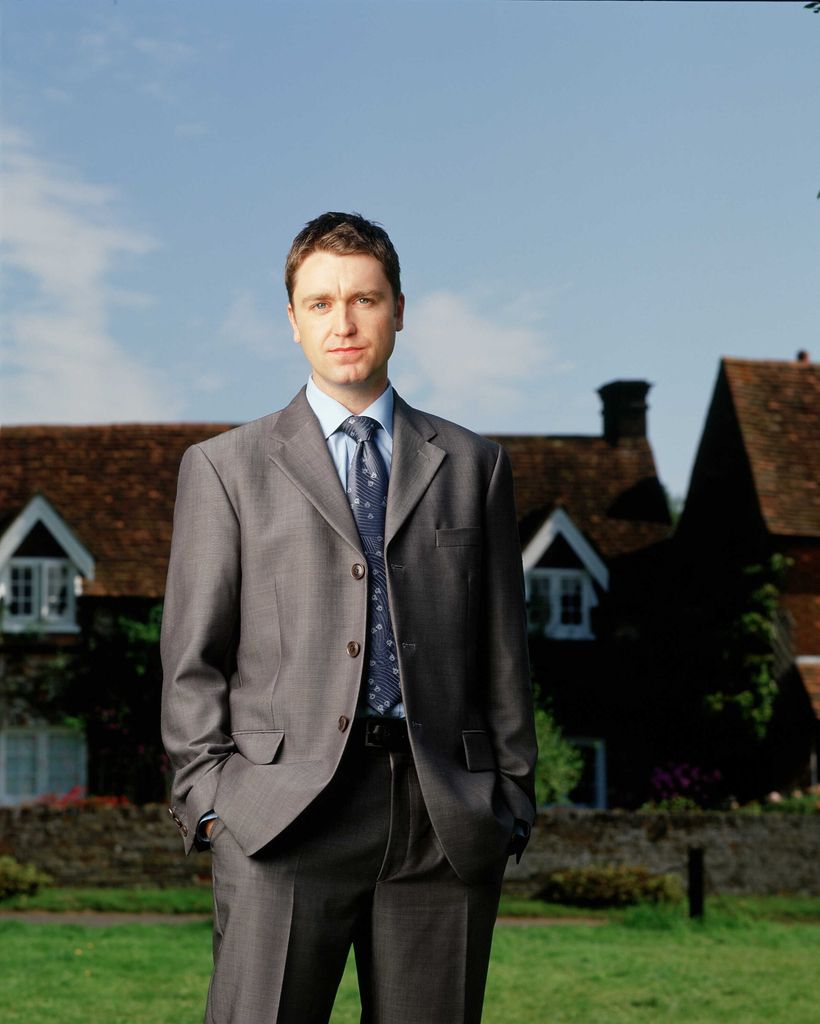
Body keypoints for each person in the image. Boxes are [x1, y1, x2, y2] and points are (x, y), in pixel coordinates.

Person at [161, 212, 537, 1024]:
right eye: (321, 302)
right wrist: (212, 802)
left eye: (364, 299)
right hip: (279, 817)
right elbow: (193, 659)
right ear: (291, 320)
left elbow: (503, 649)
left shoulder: (476, 465)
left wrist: (509, 796)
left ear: (399, 308)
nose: (345, 322)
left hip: (442, 814)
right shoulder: (224, 470)